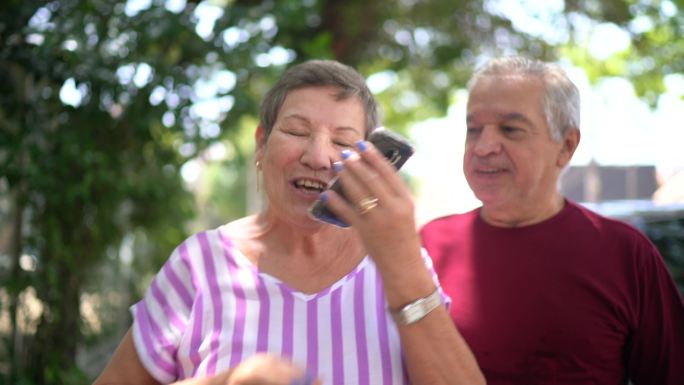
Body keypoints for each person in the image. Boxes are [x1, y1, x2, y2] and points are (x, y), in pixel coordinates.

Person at [94, 60, 484, 385]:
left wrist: (402, 265)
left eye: (344, 142)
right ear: (261, 145)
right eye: (297, 131)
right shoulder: (199, 264)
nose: (317, 156)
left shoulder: (402, 267)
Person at [419, 56, 684, 384]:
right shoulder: (428, 245)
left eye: (510, 129)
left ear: (566, 146)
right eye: (473, 129)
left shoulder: (625, 254)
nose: (483, 147)